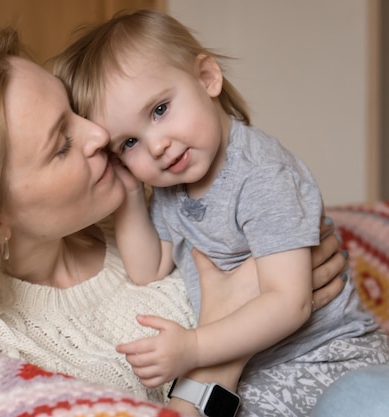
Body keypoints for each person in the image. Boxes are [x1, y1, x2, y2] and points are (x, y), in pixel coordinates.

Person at [0, 27, 348, 416]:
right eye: (62, 144)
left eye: (72, 109)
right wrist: (219, 363)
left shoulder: (163, 197)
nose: (99, 133)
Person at [51, 8, 389, 416]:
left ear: (207, 78)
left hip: (329, 357)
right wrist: (129, 195)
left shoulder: (261, 174)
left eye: (159, 110)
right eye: (129, 143)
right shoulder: (173, 188)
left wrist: (194, 346)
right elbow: (148, 267)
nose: (156, 145)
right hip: (266, 370)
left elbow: (290, 302)